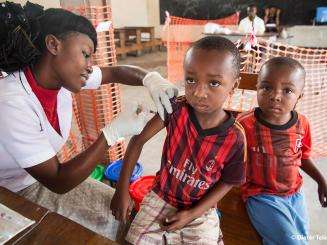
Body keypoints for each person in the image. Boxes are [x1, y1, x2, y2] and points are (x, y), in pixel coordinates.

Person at [0, 1, 177, 240]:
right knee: (99, 231)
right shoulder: (12, 100)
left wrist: (151, 79)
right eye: (85, 54)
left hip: (36, 178)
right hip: (10, 191)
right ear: (53, 44)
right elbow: (58, 181)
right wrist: (111, 133)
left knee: (120, 217)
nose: (90, 66)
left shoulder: (61, 75)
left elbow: (115, 72)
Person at [110, 36, 247, 244]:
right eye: (191, 79)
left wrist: (191, 214)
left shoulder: (235, 138)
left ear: (234, 85)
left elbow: (229, 181)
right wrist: (122, 190)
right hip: (161, 196)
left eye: (214, 83)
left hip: (201, 210)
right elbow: (138, 141)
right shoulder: (174, 109)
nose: (199, 92)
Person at [238, 57, 327, 245]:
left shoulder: (302, 124)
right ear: (257, 88)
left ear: (299, 96)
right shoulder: (244, 125)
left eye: (287, 90)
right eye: (267, 87)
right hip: (261, 195)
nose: (275, 96)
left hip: (294, 195)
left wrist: (321, 180)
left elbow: (302, 157)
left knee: (301, 239)